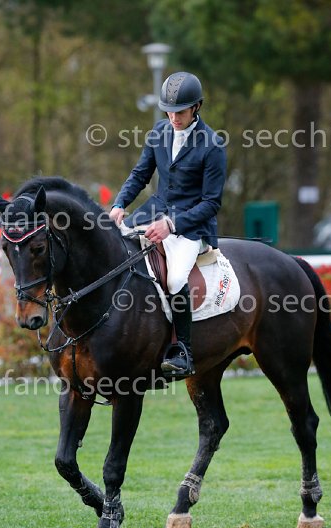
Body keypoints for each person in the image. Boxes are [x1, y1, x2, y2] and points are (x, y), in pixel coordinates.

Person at [110, 71, 226, 377]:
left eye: (180, 112)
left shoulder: (212, 146)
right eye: (169, 111)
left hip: (191, 226)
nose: (173, 117)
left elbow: (211, 203)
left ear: (196, 107)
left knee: (174, 281)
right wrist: (119, 204)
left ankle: (183, 350)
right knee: (117, 249)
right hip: (153, 211)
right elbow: (140, 175)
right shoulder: (159, 132)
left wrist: (171, 226)